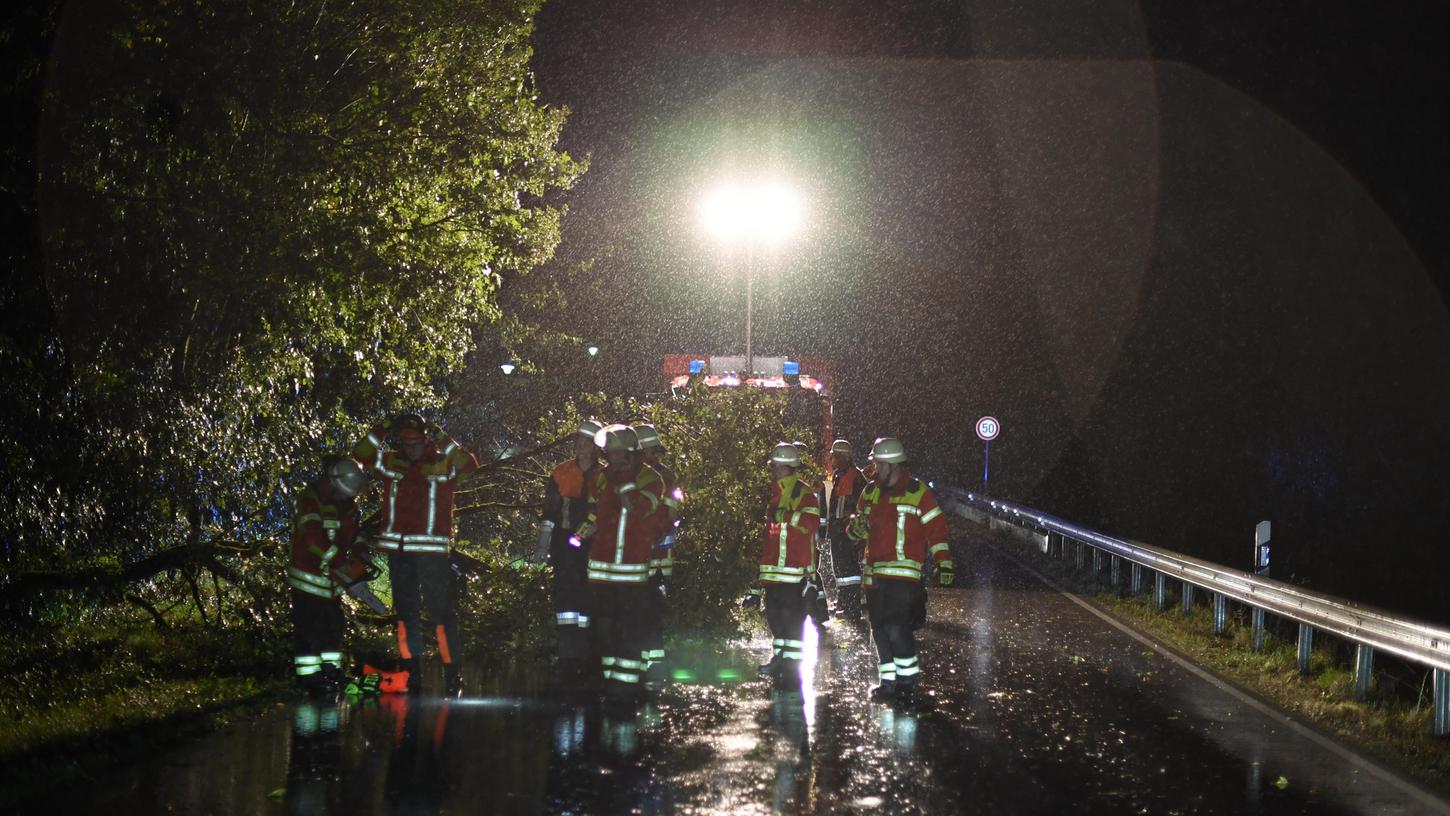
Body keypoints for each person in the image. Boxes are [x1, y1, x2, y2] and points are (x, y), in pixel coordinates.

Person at [352, 412, 480, 696]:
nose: (410, 449)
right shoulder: (391, 461)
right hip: (400, 555)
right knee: (405, 616)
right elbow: (360, 453)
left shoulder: (442, 462)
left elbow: (468, 464)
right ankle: (412, 673)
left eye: (416, 443)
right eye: (406, 443)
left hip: (432, 554)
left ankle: (453, 676)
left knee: (442, 615)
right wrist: (382, 427)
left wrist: (438, 432)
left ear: (426, 440)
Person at [848, 437, 952, 704]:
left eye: (879, 465)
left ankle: (907, 682)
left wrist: (944, 562)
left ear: (893, 465)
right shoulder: (870, 492)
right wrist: (854, 530)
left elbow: (937, 530)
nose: (874, 470)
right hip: (875, 574)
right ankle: (889, 682)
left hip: (905, 575)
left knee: (896, 628)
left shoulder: (918, 492)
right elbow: (855, 528)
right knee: (879, 628)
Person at [573, 424, 672, 701]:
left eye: (618, 455)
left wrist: (626, 479)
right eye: (610, 455)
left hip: (631, 572)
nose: (612, 460)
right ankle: (607, 683)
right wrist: (579, 536)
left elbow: (638, 508)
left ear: (631, 455)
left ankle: (627, 687)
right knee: (604, 631)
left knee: (629, 630)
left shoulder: (650, 478)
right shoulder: (603, 477)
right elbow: (595, 512)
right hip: (602, 571)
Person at [287, 455, 370, 694]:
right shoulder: (309, 499)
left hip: (332, 582)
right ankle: (309, 678)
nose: (346, 499)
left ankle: (330, 671)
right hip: (308, 578)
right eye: (343, 494)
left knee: (333, 626)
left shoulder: (348, 505)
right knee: (309, 628)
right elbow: (312, 538)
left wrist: (360, 554)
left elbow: (357, 534)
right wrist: (341, 562)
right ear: (332, 483)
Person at [748, 443, 822, 686]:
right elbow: (768, 538)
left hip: (793, 572)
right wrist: (759, 576)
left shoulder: (803, 493)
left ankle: (791, 667)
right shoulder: (774, 493)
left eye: (778, 466)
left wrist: (787, 516)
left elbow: (812, 523)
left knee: (792, 623)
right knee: (776, 620)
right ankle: (780, 659)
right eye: (774, 466)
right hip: (773, 572)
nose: (775, 470)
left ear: (789, 467)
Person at [540, 419, 604, 681]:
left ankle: (587, 655)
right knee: (566, 600)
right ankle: (568, 655)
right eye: (578, 440)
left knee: (589, 600)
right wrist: (542, 546)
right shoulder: (560, 473)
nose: (581, 445)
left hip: (593, 547)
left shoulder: (604, 476)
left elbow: (604, 512)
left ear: (596, 446)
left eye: (587, 441)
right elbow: (549, 513)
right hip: (565, 546)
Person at [635, 423, 682, 686]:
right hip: (639, 556)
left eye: (654, 453)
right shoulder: (634, 475)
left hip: (656, 557)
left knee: (649, 609)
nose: (652, 458)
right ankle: (645, 660)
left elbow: (671, 515)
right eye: (648, 452)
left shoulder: (665, 477)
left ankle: (653, 664)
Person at [823, 439, 867, 619]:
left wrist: (852, 531)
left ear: (842, 456)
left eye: (834, 455)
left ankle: (851, 606)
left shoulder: (854, 477)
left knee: (849, 569)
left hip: (847, 532)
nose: (832, 458)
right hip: (839, 531)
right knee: (840, 569)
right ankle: (844, 602)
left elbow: (859, 506)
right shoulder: (840, 475)